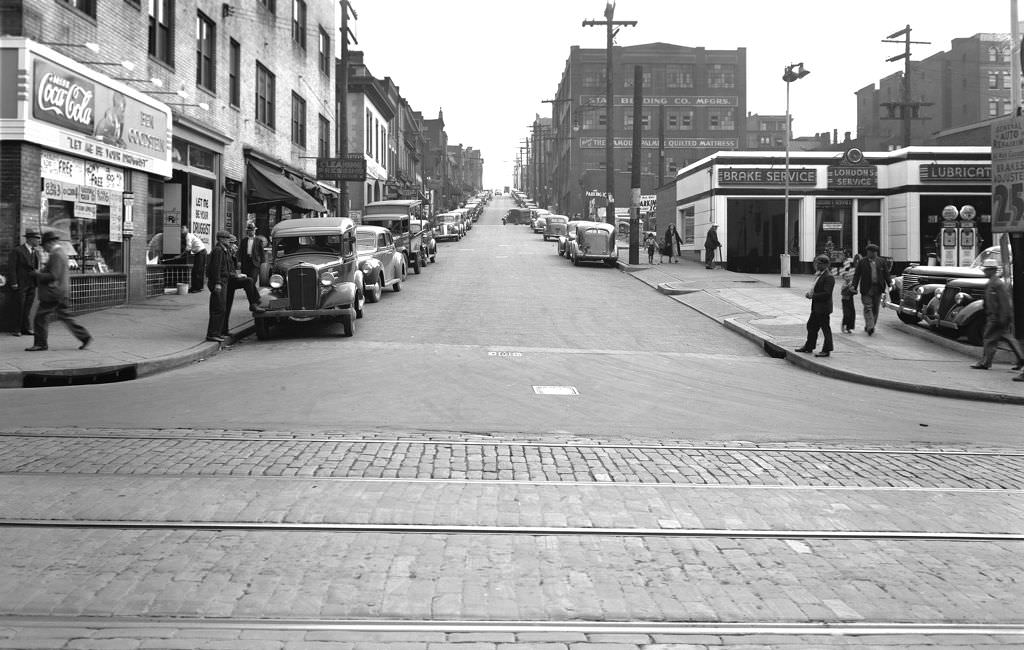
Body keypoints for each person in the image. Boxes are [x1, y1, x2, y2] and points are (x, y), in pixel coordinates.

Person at [24, 231, 91, 351]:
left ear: (50, 243)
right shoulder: (60, 253)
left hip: (53, 293)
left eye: (44, 246)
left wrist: (37, 274)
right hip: (61, 291)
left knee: (40, 318)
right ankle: (84, 336)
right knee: (66, 317)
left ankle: (40, 344)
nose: (44, 249)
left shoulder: (56, 255)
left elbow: (53, 275)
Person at [205, 230, 264, 343]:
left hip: (228, 281)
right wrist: (217, 283)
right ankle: (213, 334)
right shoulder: (218, 250)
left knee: (248, 282)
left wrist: (237, 274)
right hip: (220, 282)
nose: (232, 243)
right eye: (229, 240)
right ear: (221, 239)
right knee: (219, 308)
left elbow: (229, 269)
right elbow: (216, 268)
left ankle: (254, 303)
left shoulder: (226, 251)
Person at [970, 259, 1024, 371]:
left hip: (996, 317)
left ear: (992, 270)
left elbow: (1004, 302)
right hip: (996, 316)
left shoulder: (997, 284)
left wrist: (1002, 318)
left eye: (987, 269)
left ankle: (985, 362)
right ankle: (1021, 358)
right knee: (1007, 338)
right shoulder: (992, 283)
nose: (984, 271)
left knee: (989, 339)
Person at [794, 255, 835, 358]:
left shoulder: (828, 277)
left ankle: (827, 349)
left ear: (825, 264)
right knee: (811, 326)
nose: (816, 265)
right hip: (817, 307)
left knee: (825, 329)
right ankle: (809, 346)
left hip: (823, 308)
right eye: (816, 263)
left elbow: (827, 294)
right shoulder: (820, 275)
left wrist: (812, 296)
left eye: (819, 263)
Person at [850, 243, 891, 336]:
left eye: (874, 252)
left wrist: (890, 284)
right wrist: (854, 286)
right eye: (870, 252)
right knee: (868, 307)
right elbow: (857, 275)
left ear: (876, 253)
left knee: (875, 309)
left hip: (878, 288)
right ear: (868, 252)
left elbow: (886, 275)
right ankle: (870, 326)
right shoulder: (862, 262)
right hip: (866, 288)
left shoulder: (882, 261)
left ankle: (870, 325)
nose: (872, 254)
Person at [7, 229, 41, 336]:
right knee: (19, 306)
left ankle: (26, 328)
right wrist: (13, 282)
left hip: (32, 283)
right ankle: (16, 329)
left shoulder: (36, 252)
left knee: (28, 306)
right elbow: (11, 267)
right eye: (37, 239)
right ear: (30, 239)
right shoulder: (17, 250)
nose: (39, 241)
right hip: (20, 283)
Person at [182, 225, 208, 293]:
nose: (181, 230)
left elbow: (188, 247)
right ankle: (199, 287)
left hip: (200, 252)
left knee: (196, 271)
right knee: (199, 270)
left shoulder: (188, 236)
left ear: (187, 229)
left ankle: (196, 288)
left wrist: (180, 255)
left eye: (183, 228)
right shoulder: (191, 235)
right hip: (202, 252)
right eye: (181, 228)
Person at [838, 253, 860, 333]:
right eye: (846, 277)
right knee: (846, 314)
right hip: (845, 300)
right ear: (843, 278)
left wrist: (854, 290)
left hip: (850, 300)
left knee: (852, 314)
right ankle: (844, 325)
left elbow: (855, 292)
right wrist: (849, 289)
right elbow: (843, 292)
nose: (848, 278)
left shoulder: (851, 284)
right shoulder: (844, 285)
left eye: (849, 276)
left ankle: (849, 327)